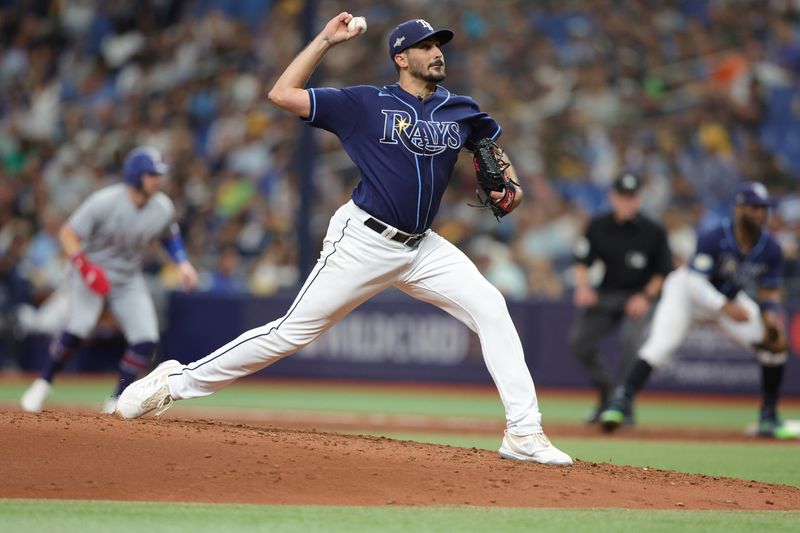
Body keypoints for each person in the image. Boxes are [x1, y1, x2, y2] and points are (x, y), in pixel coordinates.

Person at [115, 14, 573, 465]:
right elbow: (282, 94)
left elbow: (493, 150)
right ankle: (174, 382)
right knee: (289, 334)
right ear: (401, 58)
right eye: (426, 46)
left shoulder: (461, 108)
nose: (437, 52)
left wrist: (510, 184)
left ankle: (524, 433)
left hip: (423, 246)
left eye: (439, 45)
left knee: (492, 307)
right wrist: (325, 41)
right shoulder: (363, 104)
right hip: (364, 241)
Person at [600, 181, 796, 439]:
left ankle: (768, 417)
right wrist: (725, 307)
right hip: (686, 296)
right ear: (738, 208)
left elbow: (769, 291)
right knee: (659, 347)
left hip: (727, 301)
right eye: (754, 207)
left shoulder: (770, 247)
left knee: (774, 346)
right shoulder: (715, 235)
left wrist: (771, 318)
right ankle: (620, 403)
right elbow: (694, 281)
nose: (760, 213)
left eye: (764, 208)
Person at [20, 146, 198, 414]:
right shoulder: (105, 201)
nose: (157, 179)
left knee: (146, 338)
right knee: (78, 330)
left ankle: (116, 398)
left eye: (158, 174)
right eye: (152, 174)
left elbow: (169, 235)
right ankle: (43, 382)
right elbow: (68, 234)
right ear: (136, 175)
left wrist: (182, 263)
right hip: (91, 272)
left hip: (127, 278)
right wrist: (85, 268)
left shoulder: (162, 206)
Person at [568, 172, 673, 424]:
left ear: (639, 199)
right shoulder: (598, 224)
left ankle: (621, 404)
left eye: (632, 197)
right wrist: (583, 288)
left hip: (638, 296)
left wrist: (645, 297)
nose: (627, 202)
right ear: (612, 197)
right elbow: (582, 261)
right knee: (579, 341)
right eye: (622, 197)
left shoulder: (653, 230)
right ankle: (609, 394)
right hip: (607, 295)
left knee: (630, 344)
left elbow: (662, 272)